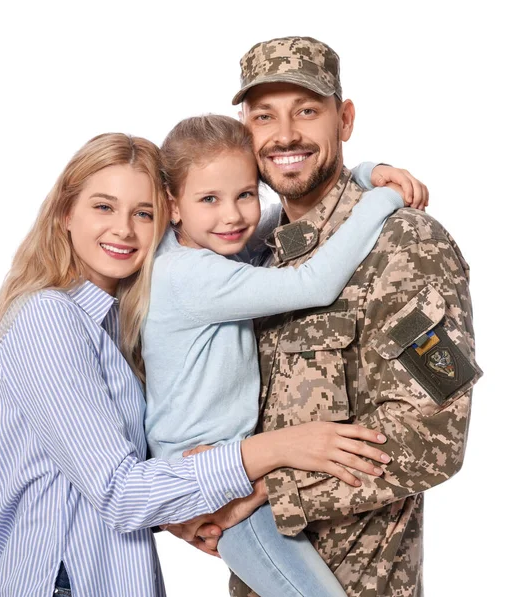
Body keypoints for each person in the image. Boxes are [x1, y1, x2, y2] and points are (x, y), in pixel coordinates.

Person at [0, 132, 400, 597]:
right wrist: (280, 448)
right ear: (65, 214)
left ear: (165, 216)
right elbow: (120, 494)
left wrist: (180, 511)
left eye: (142, 212)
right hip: (66, 583)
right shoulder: (47, 319)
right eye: (103, 207)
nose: (123, 229)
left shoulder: (117, 320)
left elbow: (91, 486)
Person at [173, 37, 482, 597]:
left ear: (345, 119)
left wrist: (267, 487)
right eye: (265, 115)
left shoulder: (405, 245)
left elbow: (434, 436)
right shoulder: (251, 250)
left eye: (307, 111)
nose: (285, 134)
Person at [142, 114, 425, 597]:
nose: (232, 216)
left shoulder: (198, 249)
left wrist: (361, 173)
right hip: (216, 477)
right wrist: (383, 199)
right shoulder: (189, 275)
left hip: (228, 467)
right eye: (209, 199)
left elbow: (289, 226)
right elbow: (312, 283)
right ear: (173, 205)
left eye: (245, 194)